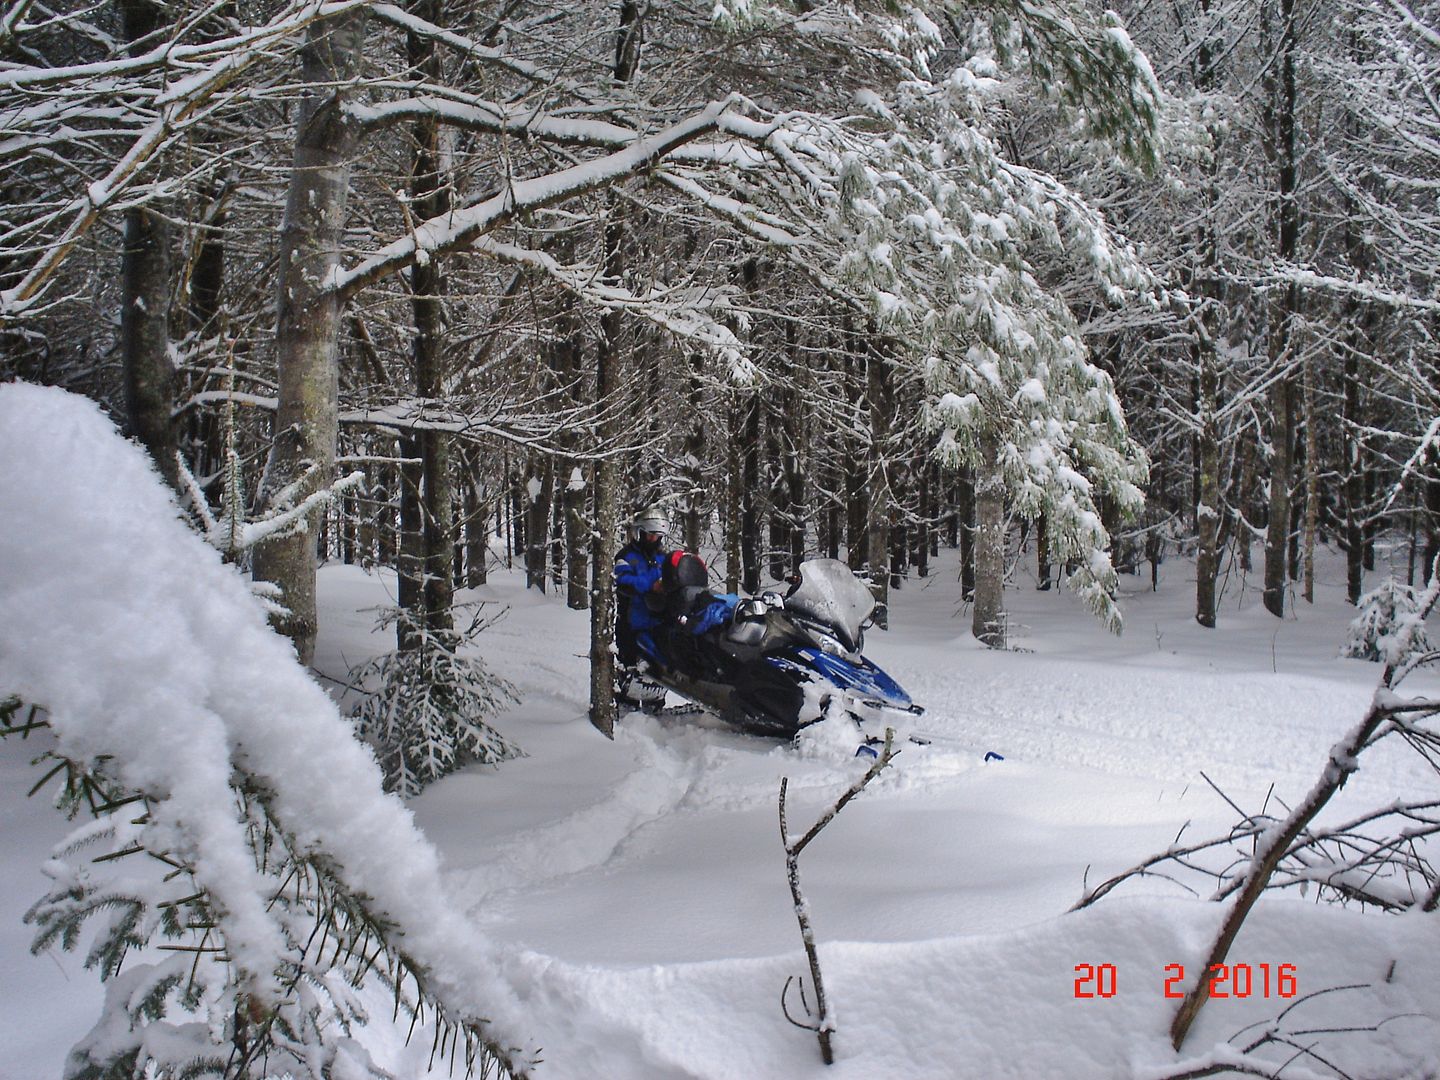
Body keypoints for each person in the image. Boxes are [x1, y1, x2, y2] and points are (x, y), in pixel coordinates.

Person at [613, 505, 670, 706]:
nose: (654, 539)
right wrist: (650, 585)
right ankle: (622, 705)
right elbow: (623, 580)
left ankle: (655, 705)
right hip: (632, 621)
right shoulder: (626, 556)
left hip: (657, 620)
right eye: (651, 535)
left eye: (658, 535)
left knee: (658, 669)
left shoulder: (662, 558)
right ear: (641, 533)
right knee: (628, 668)